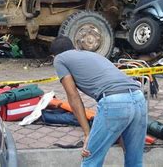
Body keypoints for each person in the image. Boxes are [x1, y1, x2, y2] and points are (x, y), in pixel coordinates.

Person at [51, 36, 147, 167]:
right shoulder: (90, 54)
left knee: (90, 159)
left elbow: (73, 96)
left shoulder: (59, 59)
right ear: (73, 48)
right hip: (138, 97)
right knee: (135, 161)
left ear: (53, 55)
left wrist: (87, 134)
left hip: (114, 101)